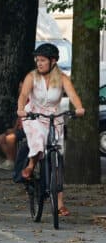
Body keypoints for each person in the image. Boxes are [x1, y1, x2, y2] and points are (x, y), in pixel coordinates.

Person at [17, 42, 84, 216]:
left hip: (54, 117)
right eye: (37, 60)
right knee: (38, 136)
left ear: (53, 61)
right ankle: (31, 166)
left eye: (42, 60)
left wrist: (79, 107)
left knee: (57, 159)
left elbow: (73, 95)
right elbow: (24, 95)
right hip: (34, 115)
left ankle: (60, 204)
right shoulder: (32, 77)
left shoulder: (62, 78)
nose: (39, 63)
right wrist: (21, 109)